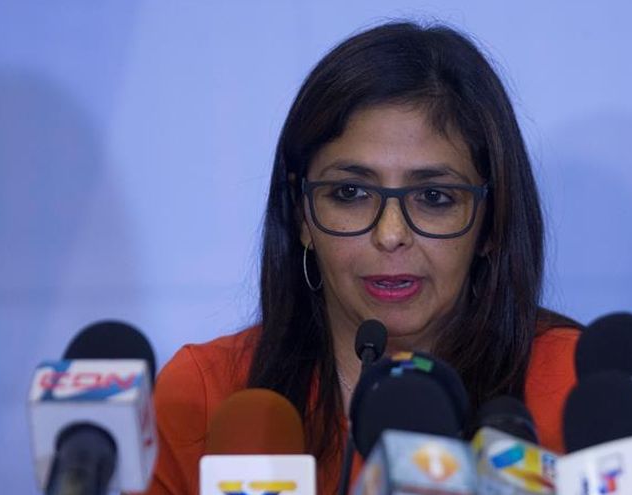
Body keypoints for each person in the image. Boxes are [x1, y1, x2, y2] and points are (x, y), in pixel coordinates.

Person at [144, 21, 580, 495]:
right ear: (302, 214)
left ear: (491, 223)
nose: (390, 235)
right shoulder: (207, 398)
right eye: (350, 193)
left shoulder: (577, 392)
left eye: (434, 197)